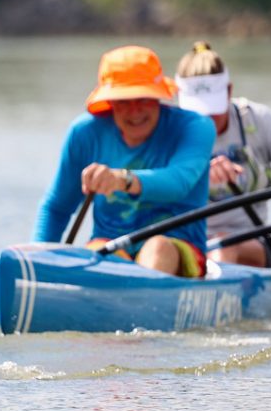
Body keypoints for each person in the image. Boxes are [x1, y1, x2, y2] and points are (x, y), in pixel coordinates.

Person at [33, 45, 216, 277]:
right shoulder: (85, 133)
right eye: (123, 101)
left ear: (158, 96)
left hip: (178, 248)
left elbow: (179, 183)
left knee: (157, 246)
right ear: (109, 102)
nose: (135, 111)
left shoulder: (195, 127)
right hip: (111, 245)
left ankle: (139, 301)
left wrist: (122, 179)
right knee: (96, 252)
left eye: (143, 99)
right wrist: (37, 259)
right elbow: (57, 208)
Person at [175, 40, 271, 308]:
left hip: (249, 245)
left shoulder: (259, 122)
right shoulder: (170, 129)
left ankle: (213, 313)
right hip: (187, 242)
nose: (206, 121)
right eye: (198, 111)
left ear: (229, 91)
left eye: (213, 110)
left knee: (224, 244)